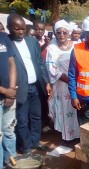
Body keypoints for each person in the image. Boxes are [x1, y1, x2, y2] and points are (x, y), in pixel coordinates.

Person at [7, 14, 51, 154]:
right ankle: (25, 147)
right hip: (20, 88)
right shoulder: (6, 43)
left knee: (36, 117)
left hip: (36, 87)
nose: (21, 32)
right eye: (17, 29)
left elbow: (40, 63)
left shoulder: (31, 41)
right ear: (9, 28)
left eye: (23, 29)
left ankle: (35, 141)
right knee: (22, 120)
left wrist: (47, 82)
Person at [46, 20, 79, 142]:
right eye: (58, 32)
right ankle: (66, 136)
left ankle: (78, 135)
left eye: (64, 32)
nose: (61, 35)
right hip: (61, 84)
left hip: (76, 83)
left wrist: (76, 81)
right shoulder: (52, 48)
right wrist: (69, 80)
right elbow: (51, 68)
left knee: (75, 108)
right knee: (63, 108)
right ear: (55, 33)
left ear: (69, 33)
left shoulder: (77, 45)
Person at [0, 32, 17, 167]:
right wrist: (5, 91)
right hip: (4, 94)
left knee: (9, 132)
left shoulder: (4, 38)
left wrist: (11, 90)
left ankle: (11, 163)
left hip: (9, 96)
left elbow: (11, 63)